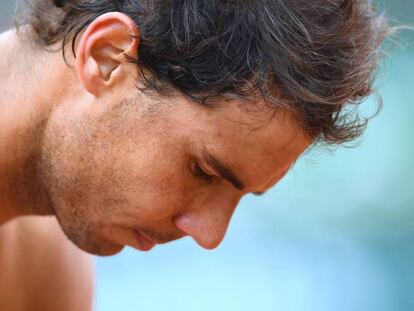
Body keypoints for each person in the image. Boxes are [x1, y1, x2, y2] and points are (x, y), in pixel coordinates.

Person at [0, 0, 390, 310]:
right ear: (107, 57)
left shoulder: (44, 270)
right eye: (203, 171)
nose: (209, 235)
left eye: (243, 196)